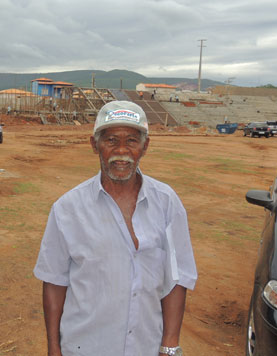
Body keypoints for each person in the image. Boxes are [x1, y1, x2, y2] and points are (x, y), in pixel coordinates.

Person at [34, 100, 197, 356]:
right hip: (84, 347)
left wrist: (169, 345)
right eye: (110, 140)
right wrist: (54, 348)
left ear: (145, 147)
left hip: (146, 346)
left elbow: (177, 278)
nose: (121, 150)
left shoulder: (167, 202)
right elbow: (54, 281)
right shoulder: (67, 208)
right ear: (94, 145)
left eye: (132, 140)